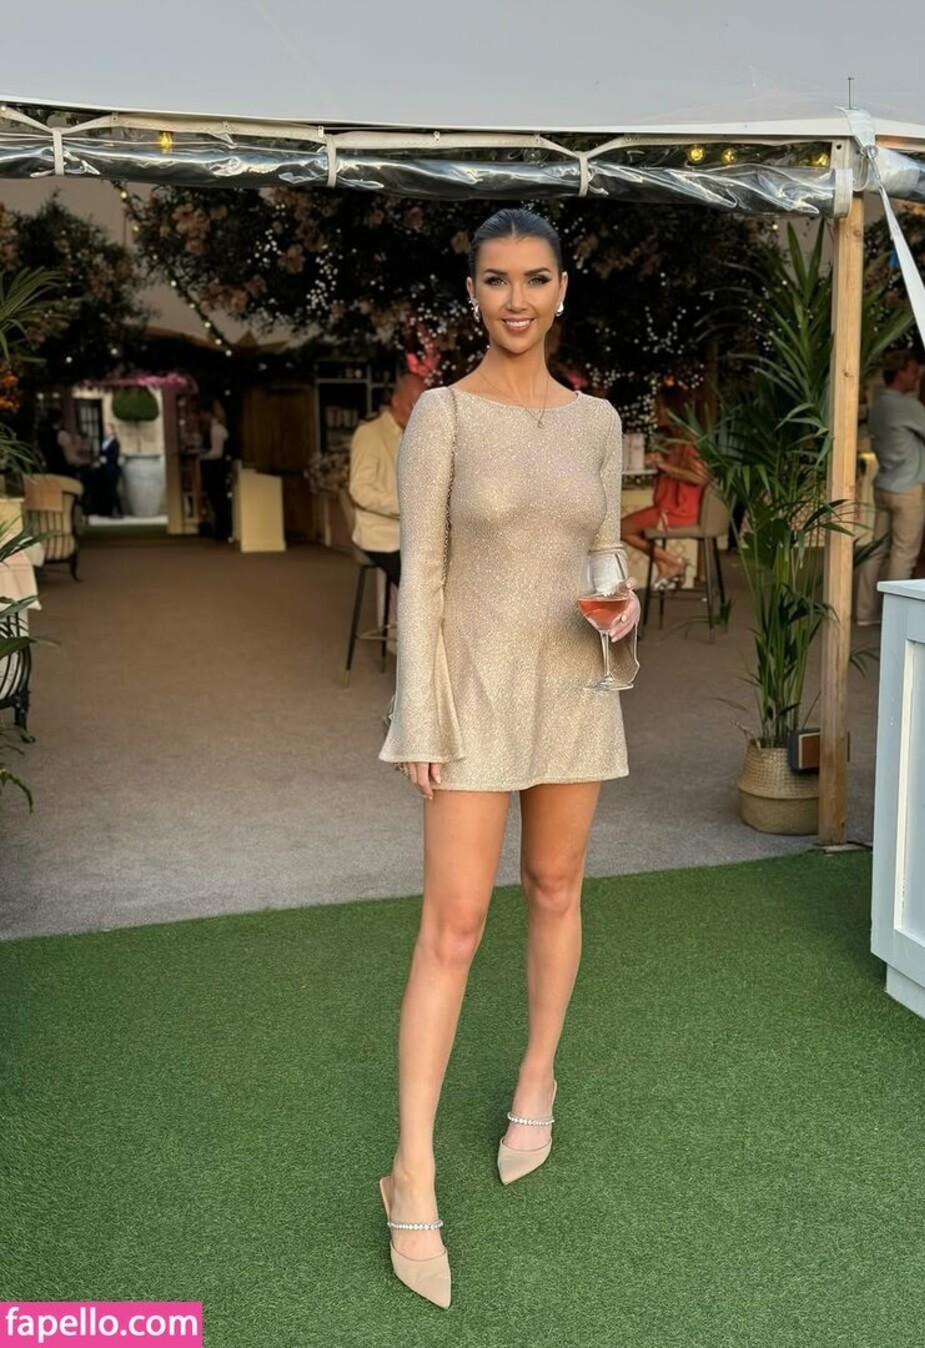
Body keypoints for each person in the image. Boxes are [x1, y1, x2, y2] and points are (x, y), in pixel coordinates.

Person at [375, 208, 640, 1311]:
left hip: (572, 685)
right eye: (497, 280)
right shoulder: (442, 415)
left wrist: (624, 605)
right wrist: (420, 718)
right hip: (474, 695)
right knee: (453, 926)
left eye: (536, 278)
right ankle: (412, 1171)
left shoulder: (598, 421)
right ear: (474, 292)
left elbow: (605, 555)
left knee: (556, 886)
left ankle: (538, 1079)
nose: (517, 299)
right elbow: (422, 576)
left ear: (563, 289)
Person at [855, 350, 925, 626]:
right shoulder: (908, 406)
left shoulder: (878, 405)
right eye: (912, 371)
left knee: (875, 551)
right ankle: (893, 618)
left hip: (883, 485)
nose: (916, 376)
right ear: (899, 373)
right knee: (904, 554)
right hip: (907, 488)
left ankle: (864, 613)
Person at [619, 395, 709, 587]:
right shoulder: (675, 440)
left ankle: (672, 562)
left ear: (670, 412)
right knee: (622, 529)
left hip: (678, 511)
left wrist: (665, 466)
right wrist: (656, 460)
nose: (654, 414)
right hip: (669, 508)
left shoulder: (690, 442)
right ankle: (665, 564)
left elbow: (701, 477)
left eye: (657, 409)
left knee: (620, 529)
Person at [347, 372, 426, 586]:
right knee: (424, 587)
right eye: (413, 404)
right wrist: (405, 506)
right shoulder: (370, 433)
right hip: (382, 536)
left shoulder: (419, 436)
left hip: (415, 535)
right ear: (395, 400)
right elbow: (359, 491)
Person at [199, 401, 232, 541]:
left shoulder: (216, 429)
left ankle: (223, 531)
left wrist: (202, 456)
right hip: (216, 468)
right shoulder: (216, 428)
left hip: (216, 469)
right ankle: (221, 530)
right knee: (218, 500)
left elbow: (217, 452)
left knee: (218, 500)